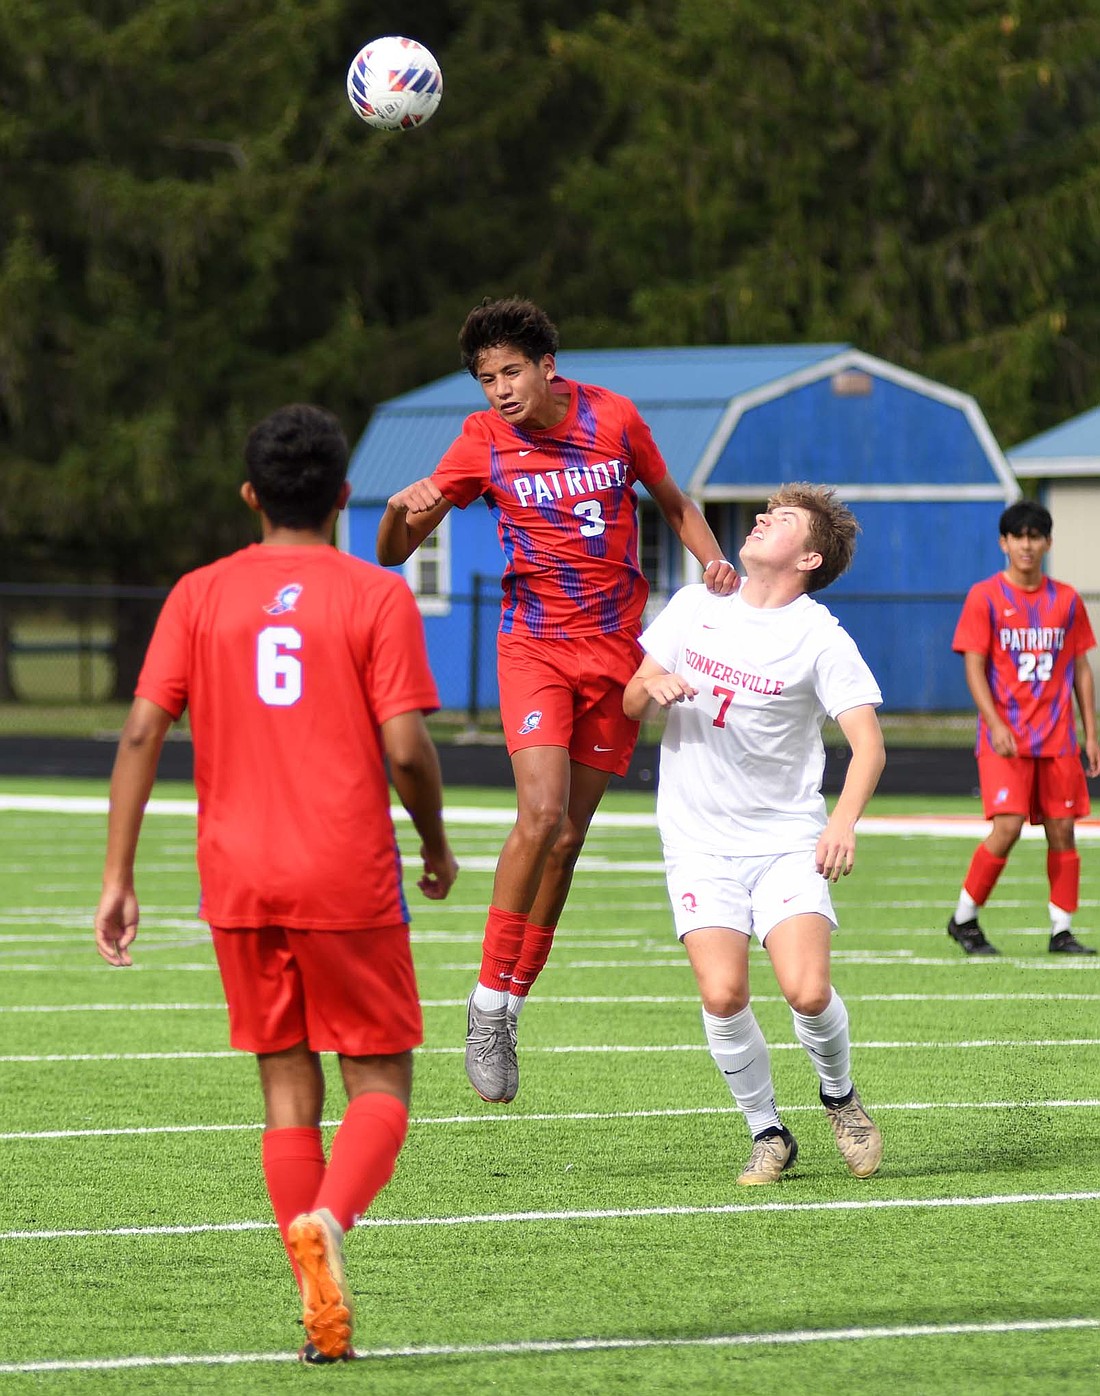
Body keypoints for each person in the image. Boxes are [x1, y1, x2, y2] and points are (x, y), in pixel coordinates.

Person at [94, 404, 458, 1363]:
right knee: (379, 1082)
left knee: (286, 1089)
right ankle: (330, 1220)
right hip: (345, 871)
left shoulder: (199, 593)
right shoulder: (372, 596)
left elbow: (141, 733)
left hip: (239, 878)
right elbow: (409, 749)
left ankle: (320, 1317)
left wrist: (118, 875)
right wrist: (435, 841)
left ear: (250, 495)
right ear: (343, 497)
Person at [377, 297, 737, 1105]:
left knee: (569, 838)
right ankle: (483, 1005)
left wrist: (716, 568)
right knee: (539, 817)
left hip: (615, 652)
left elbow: (675, 504)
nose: (499, 390)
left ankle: (511, 1000)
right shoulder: (478, 442)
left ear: (547, 366)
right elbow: (396, 550)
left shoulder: (615, 418)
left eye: (510, 372)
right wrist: (402, 511)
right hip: (533, 645)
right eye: (485, 379)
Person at [623, 483, 886, 1185]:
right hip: (697, 842)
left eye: (784, 518)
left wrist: (841, 823)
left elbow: (868, 745)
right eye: (766, 510)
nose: (763, 517)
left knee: (805, 991)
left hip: (785, 841)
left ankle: (840, 1096)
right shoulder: (693, 605)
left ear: (807, 557)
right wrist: (655, 687)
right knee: (722, 995)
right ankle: (767, 1131)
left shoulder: (820, 636)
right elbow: (629, 696)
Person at [947, 499, 1099, 956]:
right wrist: (993, 722)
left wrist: (1091, 732)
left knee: (1063, 831)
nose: (1027, 544)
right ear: (1004, 542)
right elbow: (974, 666)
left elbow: (1081, 669)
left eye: (1036, 536)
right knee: (1008, 827)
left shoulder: (1067, 599)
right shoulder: (985, 596)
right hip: (1006, 741)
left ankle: (1061, 930)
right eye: (1019, 536)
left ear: (1048, 543)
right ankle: (964, 920)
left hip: (1058, 740)